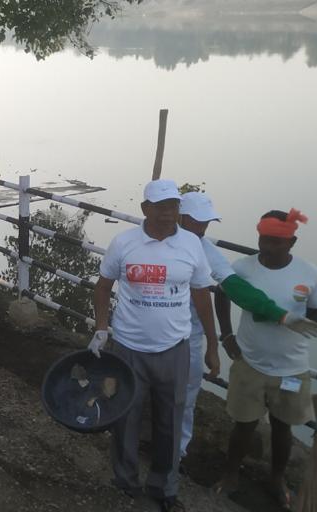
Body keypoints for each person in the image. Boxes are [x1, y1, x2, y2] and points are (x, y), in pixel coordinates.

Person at [89, 179, 219, 512]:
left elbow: (202, 296)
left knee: (171, 421)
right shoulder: (124, 243)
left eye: (173, 207)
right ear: (145, 209)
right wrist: (102, 329)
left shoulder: (191, 245)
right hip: (129, 348)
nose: (167, 214)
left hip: (174, 348)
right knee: (125, 417)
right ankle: (126, 480)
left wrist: (213, 344)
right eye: (160, 207)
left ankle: (164, 486)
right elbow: (103, 287)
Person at [214, 209, 317, 510]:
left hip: (292, 368)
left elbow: (315, 318)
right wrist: (226, 335)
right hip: (250, 363)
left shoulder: (308, 273)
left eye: (276, 242)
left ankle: (276, 479)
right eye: (264, 239)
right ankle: (231, 473)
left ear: (291, 243)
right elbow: (221, 292)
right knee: (243, 424)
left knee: (282, 427)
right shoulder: (244, 268)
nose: (267, 247)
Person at [176, 193, 317, 463]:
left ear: (291, 242)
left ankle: (177, 452)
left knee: (186, 397)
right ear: (180, 217)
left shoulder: (206, 250)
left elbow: (235, 289)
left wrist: (282, 317)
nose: (203, 228)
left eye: (207, 222)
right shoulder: (142, 241)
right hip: (146, 332)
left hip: (192, 337)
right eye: (197, 221)